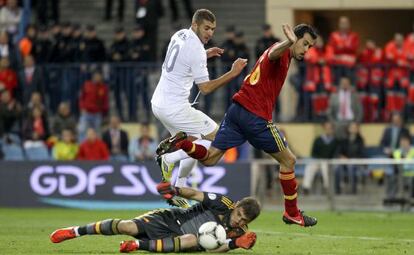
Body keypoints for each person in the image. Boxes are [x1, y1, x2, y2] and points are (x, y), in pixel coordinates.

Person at [157, 24, 318, 227]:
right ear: (294, 38)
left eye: (309, 47)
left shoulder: (284, 53)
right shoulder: (282, 50)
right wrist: (289, 42)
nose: (305, 49)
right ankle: (292, 213)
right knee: (289, 161)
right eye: (304, 43)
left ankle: (183, 144)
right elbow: (273, 54)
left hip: (237, 111)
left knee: (209, 159)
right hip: (256, 118)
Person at [151, 9, 247, 207]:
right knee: (217, 137)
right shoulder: (195, 49)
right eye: (206, 28)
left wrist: (205, 54)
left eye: (212, 29)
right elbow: (205, 88)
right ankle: (170, 158)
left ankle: (179, 189)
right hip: (175, 108)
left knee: (192, 144)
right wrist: (233, 72)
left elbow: (183, 59)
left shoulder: (179, 34)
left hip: (159, 103)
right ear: (195, 25)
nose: (210, 33)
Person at [50, 184, 260, 253]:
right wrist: (175, 190)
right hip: (170, 220)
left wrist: (235, 245)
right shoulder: (222, 202)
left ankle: (137, 246)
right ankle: (75, 231)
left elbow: (216, 248)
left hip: (185, 240)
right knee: (127, 226)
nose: (238, 222)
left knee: (193, 239)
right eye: (239, 215)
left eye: (243, 221)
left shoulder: (239, 233)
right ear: (237, 206)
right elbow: (196, 194)